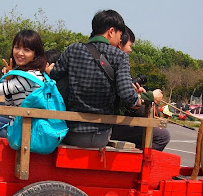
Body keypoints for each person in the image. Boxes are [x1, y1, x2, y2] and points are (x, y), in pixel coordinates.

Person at [48, 10, 142, 148]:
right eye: (120, 35)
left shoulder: (73, 49)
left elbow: (54, 77)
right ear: (111, 32)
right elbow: (127, 95)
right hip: (101, 136)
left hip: (72, 132)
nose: (119, 40)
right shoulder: (120, 57)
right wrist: (139, 100)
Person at [111, 27, 170, 150]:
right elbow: (122, 99)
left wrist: (136, 95)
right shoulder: (119, 62)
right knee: (162, 136)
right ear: (120, 43)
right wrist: (149, 96)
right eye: (130, 45)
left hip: (107, 122)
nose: (130, 50)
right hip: (108, 124)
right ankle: (133, 162)